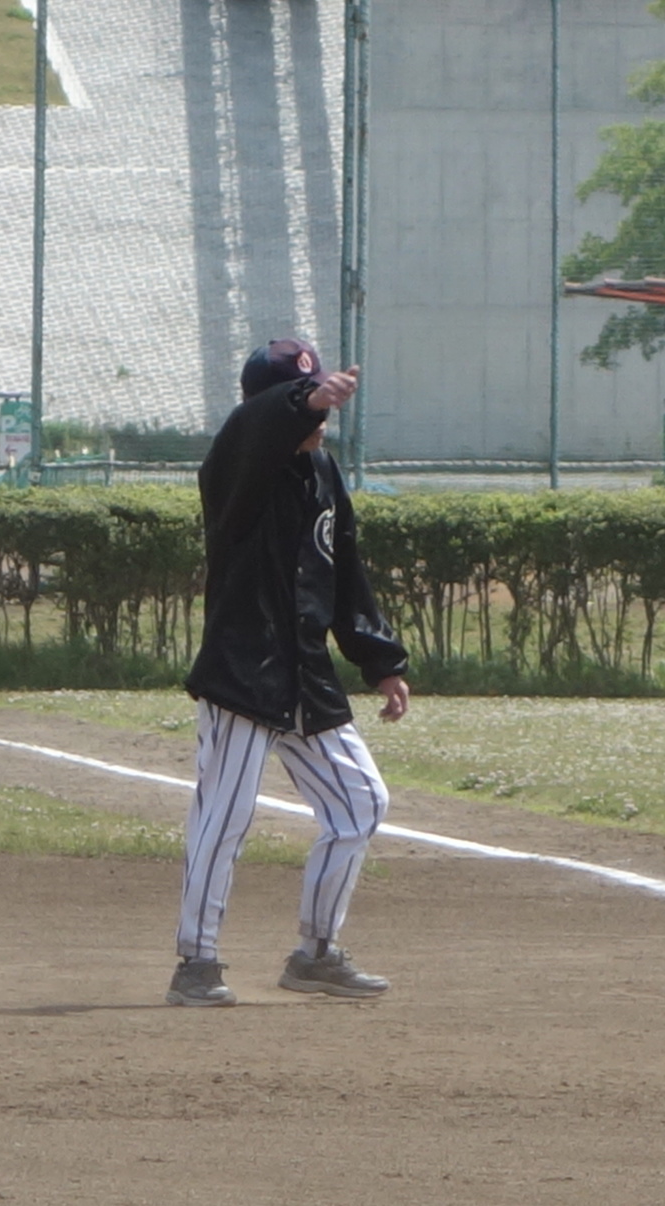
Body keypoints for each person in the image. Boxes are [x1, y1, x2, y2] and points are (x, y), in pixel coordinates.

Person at [167, 338, 411, 1007]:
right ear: (271, 407)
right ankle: (196, 962)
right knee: (224, 818)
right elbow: (252, 429)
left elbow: (345, 573)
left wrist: (380, 661)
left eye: (322, 398)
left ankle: (316, 952)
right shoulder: (234, 468)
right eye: (304, 400)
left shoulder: (323, 473)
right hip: (243, 674)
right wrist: (300, 399)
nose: (320, 416)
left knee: (360, 804)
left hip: (304, 674)